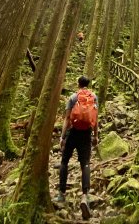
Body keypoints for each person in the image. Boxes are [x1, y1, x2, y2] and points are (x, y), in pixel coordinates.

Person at [55, 75, 98, 220]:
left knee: (64, 161)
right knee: (85, 163)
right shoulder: (94, 97)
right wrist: (96, 135)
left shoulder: (73, 97)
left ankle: (61, 194)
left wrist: (62, 137)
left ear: (78, 84)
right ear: (88, 84)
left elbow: (67, 118)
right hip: (86, 133)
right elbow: (95, 119)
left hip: (73, 132)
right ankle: (85, 196)